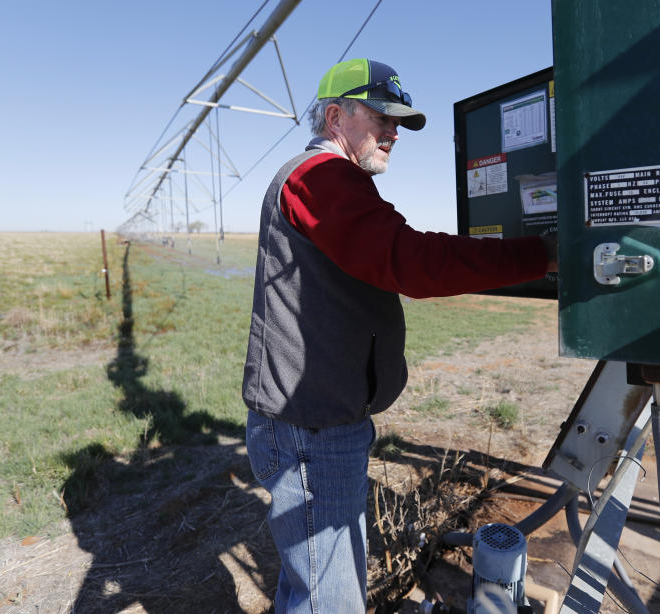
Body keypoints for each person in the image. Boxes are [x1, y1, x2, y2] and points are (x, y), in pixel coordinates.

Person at [241, 58, 556, 613]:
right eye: (382, 116)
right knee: (329, 601)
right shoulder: (319, 178)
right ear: (335, 117)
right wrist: (542, 254)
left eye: (399, 124)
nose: (393, 132)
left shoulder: (335, 186)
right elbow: (410, 261)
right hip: (310, 431)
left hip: (320, 421)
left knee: (315, 588)